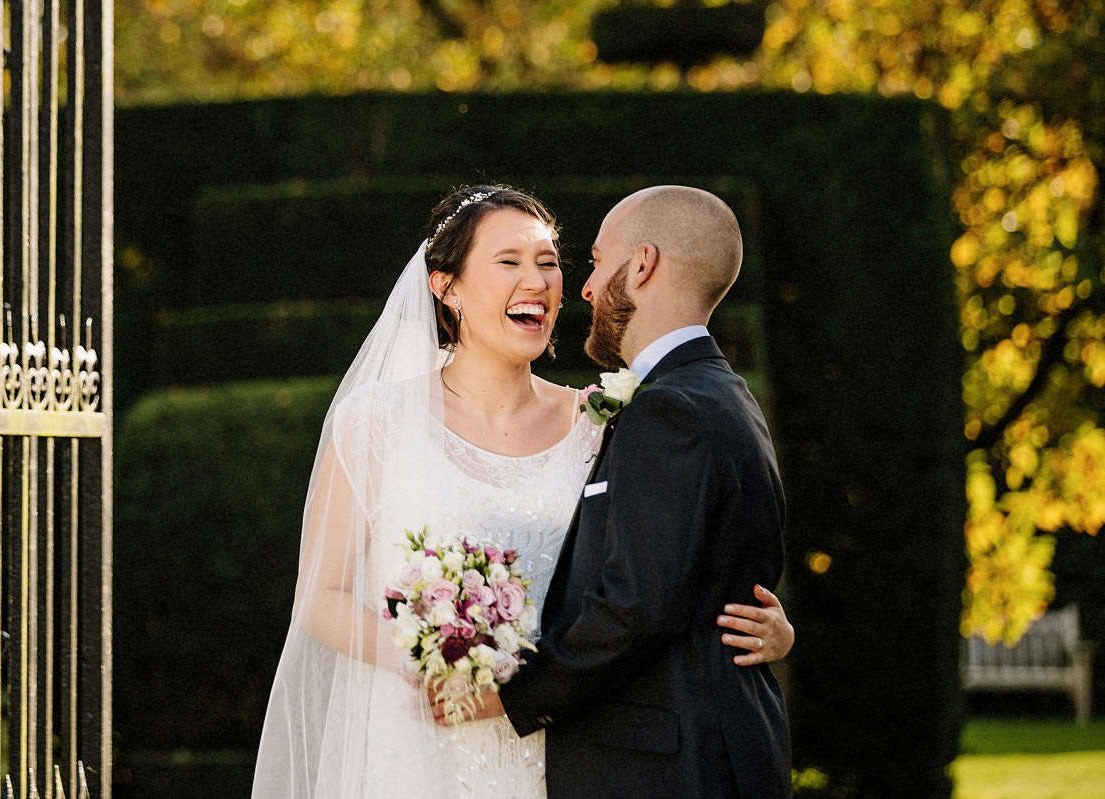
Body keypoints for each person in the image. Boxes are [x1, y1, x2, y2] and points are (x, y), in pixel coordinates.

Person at [252, 185, 793, 798]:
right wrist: (439, 660)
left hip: (564, 745)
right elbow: (322, 595)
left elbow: (657, 572)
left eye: (550, 262)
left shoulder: (602, 421)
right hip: (421, 740)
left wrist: (759, 628)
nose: (538, 281)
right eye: (509, 262)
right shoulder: (375, 422)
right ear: (445, 285)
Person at [435, 185, 793, 798]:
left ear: (644, 265)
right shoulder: (722, 394)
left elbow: (635, 607)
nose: (584, 287)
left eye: (596, 263)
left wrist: (510, 696)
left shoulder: (670, 411)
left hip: (668, 767)